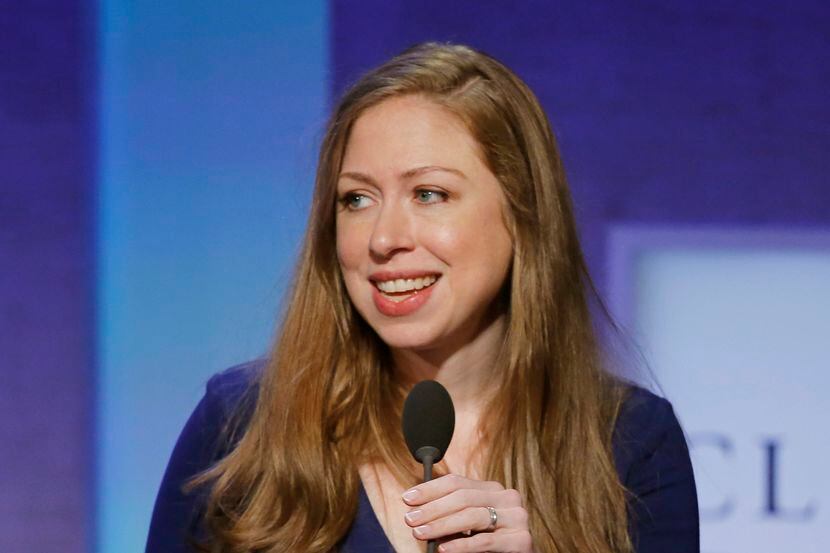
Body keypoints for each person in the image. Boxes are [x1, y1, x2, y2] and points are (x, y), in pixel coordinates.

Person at [146, 42, 698, 553]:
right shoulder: (242, 424)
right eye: (357, 199)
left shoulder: (630, 444)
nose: (384, 239)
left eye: (429, 193)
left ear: (523, 215)